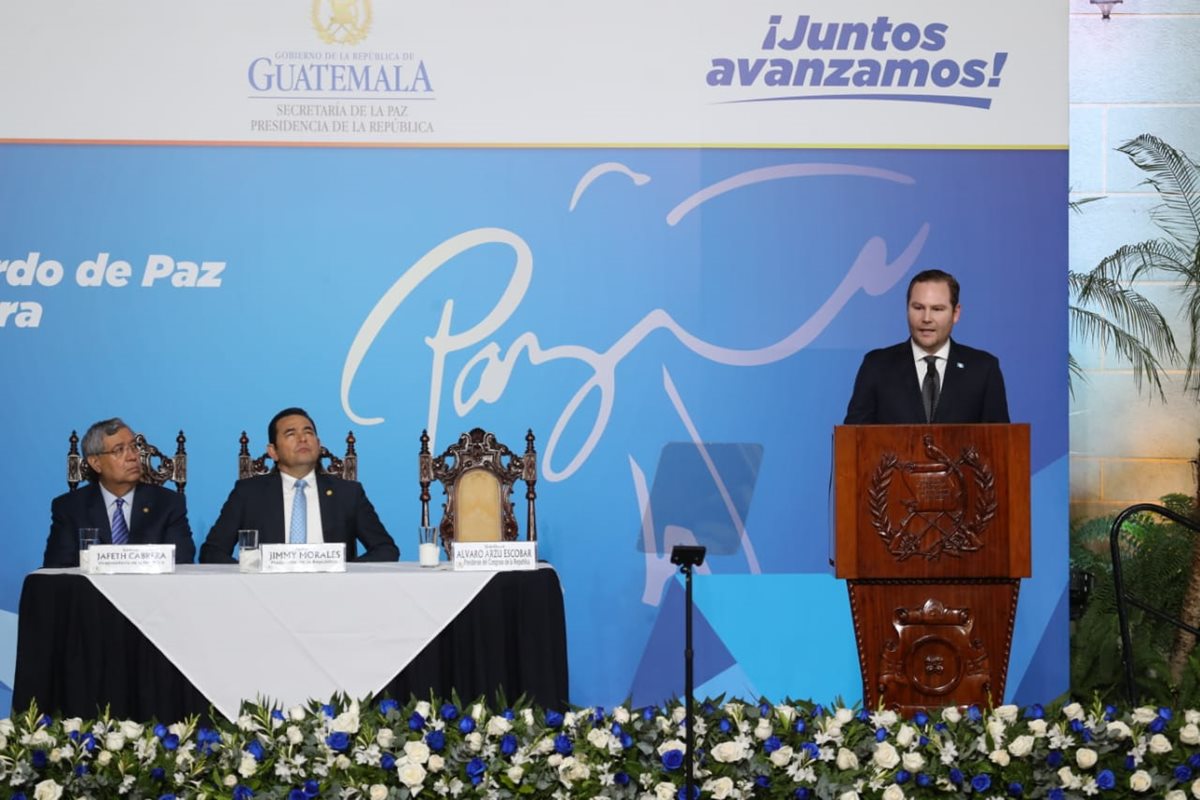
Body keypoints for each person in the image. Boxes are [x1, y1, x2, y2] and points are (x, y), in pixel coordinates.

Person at [200, 407, 399, 562]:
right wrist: (250, 577)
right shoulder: (249, 493)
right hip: (267, 594)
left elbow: (386, 549)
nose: (302, 438)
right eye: (290, 434)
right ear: (273, 451)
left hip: (335, 594)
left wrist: (344, 571)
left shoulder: (347, 493)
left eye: (308, 432)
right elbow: (212, 552)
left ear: (319, 445)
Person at [843, 269, 1010, 424]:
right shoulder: (877, 366)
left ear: (955, 313)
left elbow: (1000, 444)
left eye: (937, 309)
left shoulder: (983, 369)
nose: (926, 318)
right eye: (918, 308)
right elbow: (853, 443)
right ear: (907, 309)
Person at [43, 418, 196, 567]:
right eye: (119, 450)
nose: (132, 457)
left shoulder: (168, 504)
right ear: (96, 463)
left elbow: (182, 565)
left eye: (134, 447)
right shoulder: (70, 508)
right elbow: (58, 571)